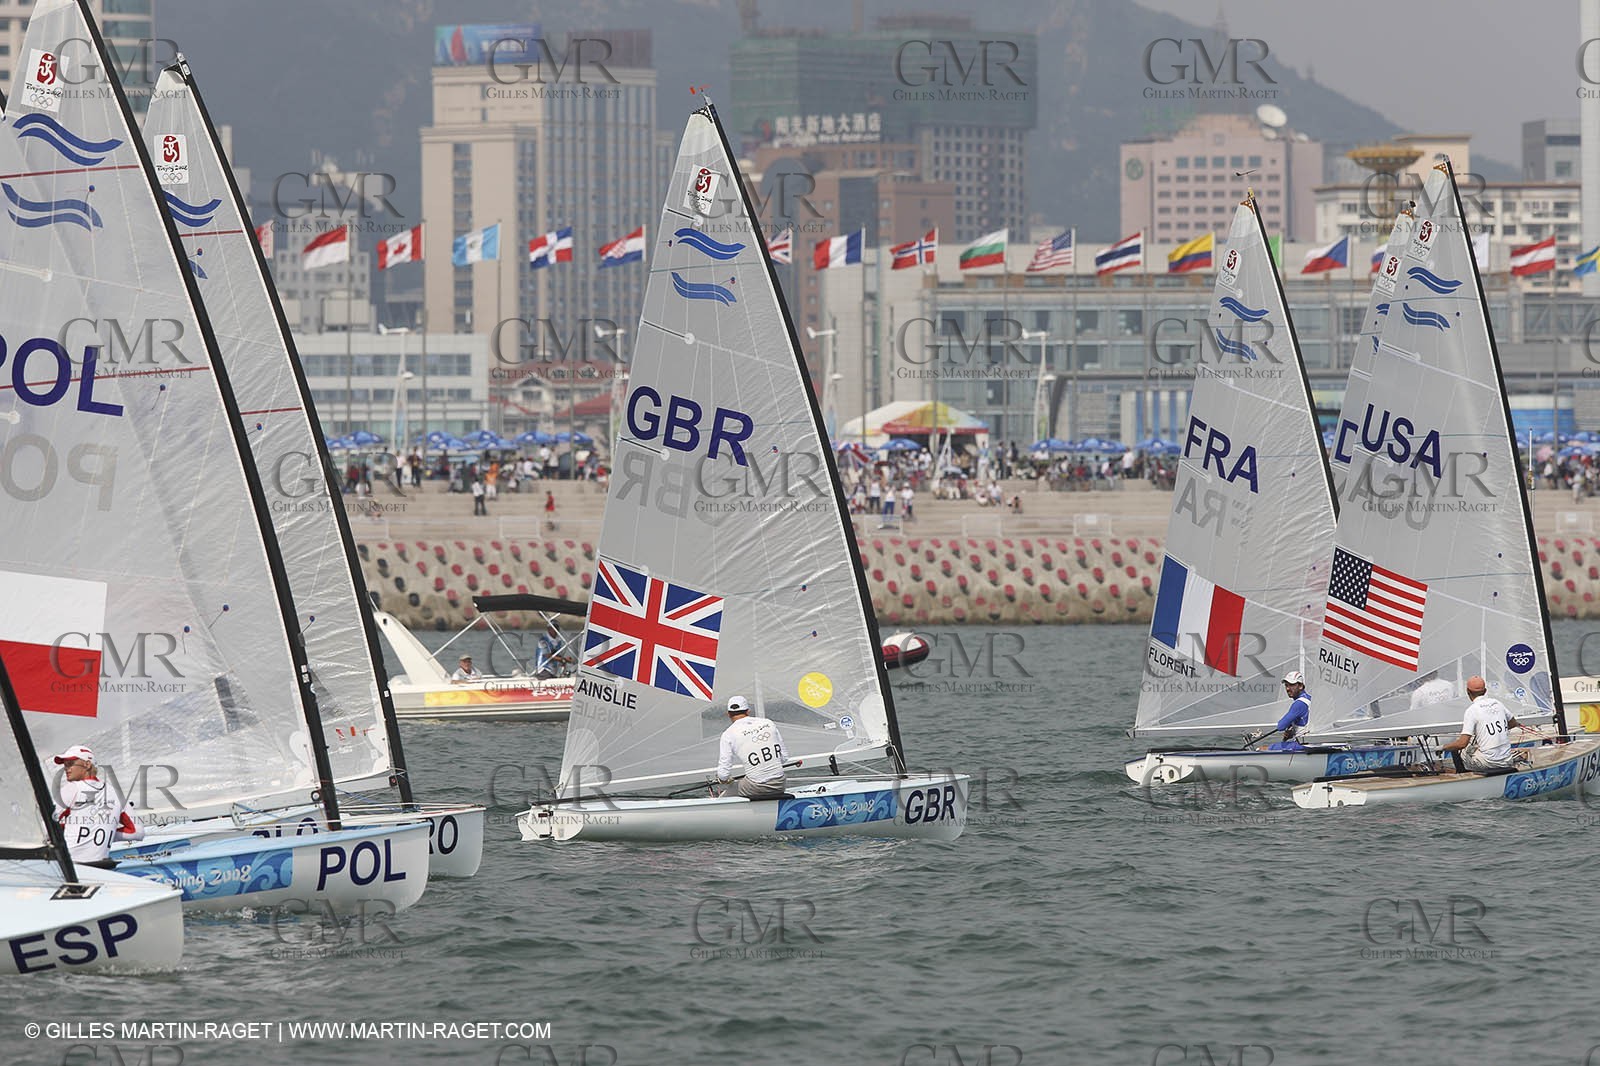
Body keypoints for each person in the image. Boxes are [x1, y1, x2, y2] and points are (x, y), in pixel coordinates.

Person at [52, 745, 142, 867]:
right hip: (100, 868)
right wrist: (104, 832)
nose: (66, 769)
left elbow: (46, 827)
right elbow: (137, 832)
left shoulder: (71, 789)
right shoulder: (116, 793)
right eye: (65, 765)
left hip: (69, 868)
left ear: (87, 765)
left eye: (70, 763)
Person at [1440, 675, 1530, 772]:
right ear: (1485, 691)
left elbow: (1462, 744)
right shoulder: (1497, 703)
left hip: (1487, 764)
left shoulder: (1472, 710)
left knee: (1459, 749)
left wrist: (1442, 747)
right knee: (1474, 748)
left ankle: (1463, 776)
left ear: (1468, 692)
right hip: (1506, 761)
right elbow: (1513, 723)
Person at [714, 695, 787, 799]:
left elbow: (723, 775)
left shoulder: (728, 734)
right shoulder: (768, 723)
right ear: (748, 711)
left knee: (726, 793)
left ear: (728, 714)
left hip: (756, 787)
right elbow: (784, 758)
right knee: (748, 779)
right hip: (780, 784)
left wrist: (725, 780)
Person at [1259, 671, 1312, 750]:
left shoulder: (1299, 704)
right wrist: (1291, 733)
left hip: (1302, 745)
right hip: (1310, 743)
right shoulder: (1309, 698)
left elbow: (1281, 726)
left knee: (1262, 749)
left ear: (1300, 686)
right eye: (1286, 685)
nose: (1287, 689)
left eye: (1291, 685)